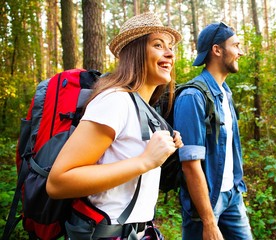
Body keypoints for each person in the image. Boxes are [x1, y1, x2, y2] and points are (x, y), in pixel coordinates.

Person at [46, 12, 183, 239]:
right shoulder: (114, 100)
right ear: (135, 52)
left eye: (170, 47)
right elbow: (59, 182)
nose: (170, 53)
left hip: (139, 231)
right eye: (158, 45)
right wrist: (144, 161)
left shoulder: (143, 107)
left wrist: (166, 142)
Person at [173, 22, 253, 239]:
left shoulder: (225, 93)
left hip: (232, 196)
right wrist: (208, 221)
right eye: (236, 45)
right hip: (206, 204)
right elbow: (190, 164)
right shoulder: (193, 97)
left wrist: (236, 189)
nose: (241, 52)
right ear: (217, 50)